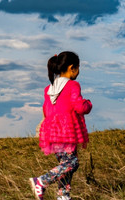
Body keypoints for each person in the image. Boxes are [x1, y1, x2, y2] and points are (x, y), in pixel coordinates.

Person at [29, 51, 92, 200]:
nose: (79, 71)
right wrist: (88, 104)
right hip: (67, 132)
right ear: (72, 68)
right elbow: (79, 107)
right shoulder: (72, 85)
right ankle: (41, 181)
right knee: (72, 162)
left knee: (65, 166)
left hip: (53, 133)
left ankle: (63, 196)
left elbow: (46, 109)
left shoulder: (49, 89)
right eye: (78, 67)